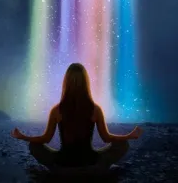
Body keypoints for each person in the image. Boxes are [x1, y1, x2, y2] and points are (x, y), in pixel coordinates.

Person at [11, 63, 143, 174]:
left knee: (34, 145)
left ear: (66, 82)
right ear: (86, 83)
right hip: (90, 161)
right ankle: (97, 169)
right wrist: (129, 136)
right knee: (123, 144)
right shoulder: (95, 109)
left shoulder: (57, 110)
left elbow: (45, 139)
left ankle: (57, 170)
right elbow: (106, 138)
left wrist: (23, 137)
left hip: (63, 162)